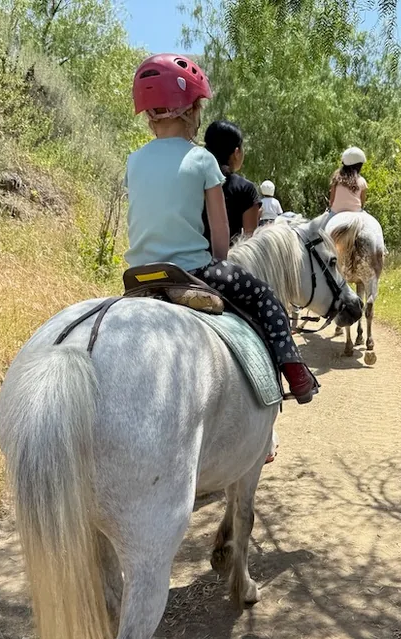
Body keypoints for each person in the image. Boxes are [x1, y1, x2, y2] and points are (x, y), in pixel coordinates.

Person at [124, 54, 317, 403]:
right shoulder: (203, 159)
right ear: (190, 111)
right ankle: (295, 372)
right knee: (265, 297)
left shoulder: (134, 160)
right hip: (192, 270)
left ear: (149, 114)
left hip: (138, 274)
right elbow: (218, 227)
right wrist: (219, 263)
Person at [202, 120, 261, 243]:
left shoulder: (192, 181)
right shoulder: (245, 189)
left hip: (189, 258)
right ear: (236, 152)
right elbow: (250, 241)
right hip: (227, 259)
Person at [329, 146, 369, 213]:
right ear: (359, 166)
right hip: (356, 212)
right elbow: (362, 203)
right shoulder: (362, 181)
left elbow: (331, 200)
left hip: (336, 212)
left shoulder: (336, 179)